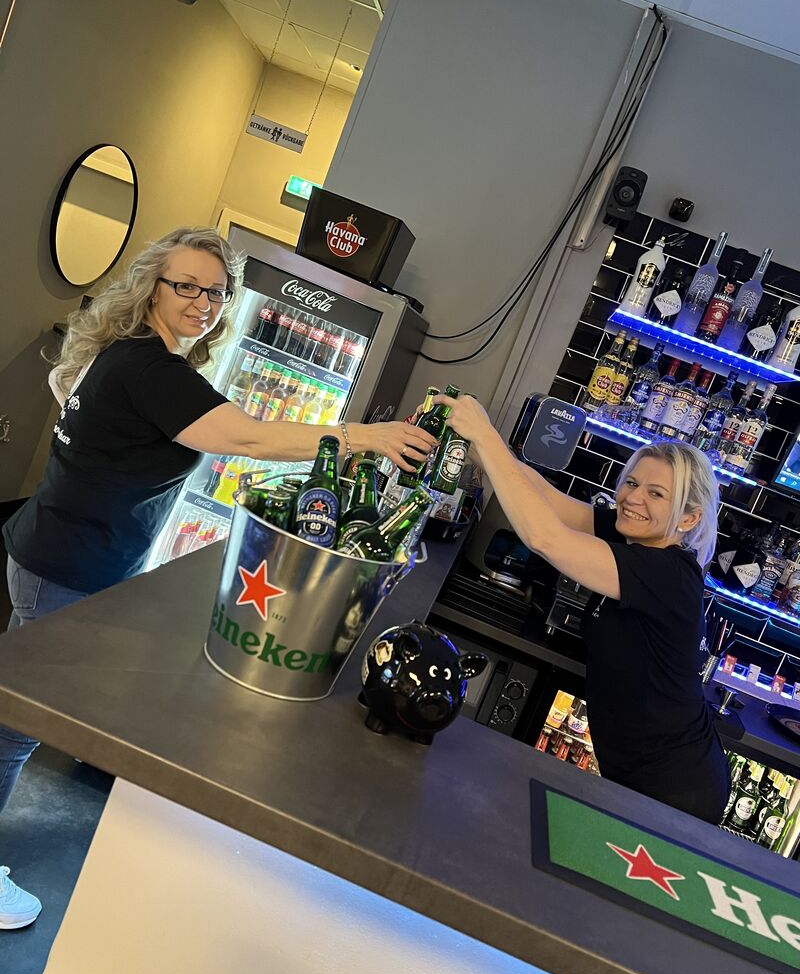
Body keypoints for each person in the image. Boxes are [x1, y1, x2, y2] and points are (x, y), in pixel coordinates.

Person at [0, 227, 437, 927]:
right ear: (153, 287)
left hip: (62, 551)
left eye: (216, 291)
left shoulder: (128, 354)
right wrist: (364, 437)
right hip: (66, 564)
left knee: (45, 709)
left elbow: (72, 393)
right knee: (15, 724)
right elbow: (247, 436)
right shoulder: (153, 371)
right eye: (187, 286)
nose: (203, 302)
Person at [438, 394, 730, 825]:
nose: (633, 499)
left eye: (656, 493)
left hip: (674, 787)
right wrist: (478, 442)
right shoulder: (633, 533)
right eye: (632, 483)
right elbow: (546, 497)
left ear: (688, 520)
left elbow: (546, 538)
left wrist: (483, 433)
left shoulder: (668, 572)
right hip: (635, 768)